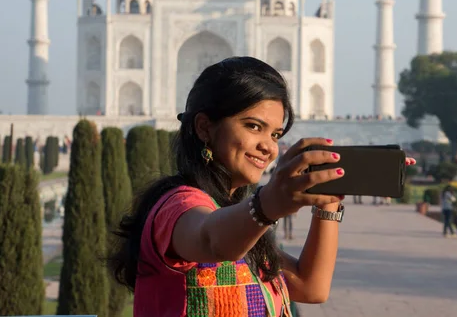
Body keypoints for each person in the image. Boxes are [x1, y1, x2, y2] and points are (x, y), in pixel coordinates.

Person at [108, 56, 415, 316]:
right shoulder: (177, 206)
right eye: (254, 126)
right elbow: (212, 242)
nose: (268, 147)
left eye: (276, 134)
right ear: (205, 127)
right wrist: (268, 203)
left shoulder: (238, 219)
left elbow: (311, 287)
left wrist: (327, 202)